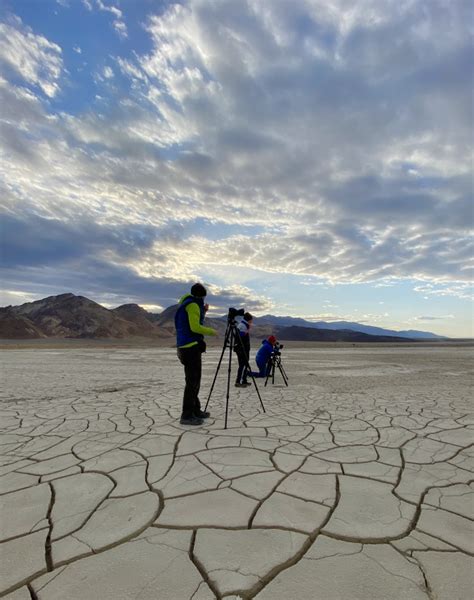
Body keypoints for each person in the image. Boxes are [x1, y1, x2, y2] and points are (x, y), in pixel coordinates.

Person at [175, 283, 217, 425]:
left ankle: (195, 410)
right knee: (192, 382)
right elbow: (195, 327)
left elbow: (192, 322)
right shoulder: (192, 305)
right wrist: (211, 331)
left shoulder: (187, 304)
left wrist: (203, 312)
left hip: (185, 346)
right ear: (201, 296)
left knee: (194, 381)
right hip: (190, 347)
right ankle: (186, 415)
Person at [234, 312, 253, 387]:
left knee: (244, 364)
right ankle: (238, 381)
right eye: (251, 320)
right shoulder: (243, 326)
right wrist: (247, 331)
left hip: (243, 348)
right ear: (248, 320)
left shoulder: (243, 325)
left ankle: (244, 380)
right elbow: (241, 336)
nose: (252, 322)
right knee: (243, 364)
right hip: (242, 349)